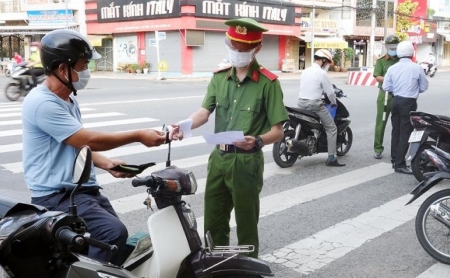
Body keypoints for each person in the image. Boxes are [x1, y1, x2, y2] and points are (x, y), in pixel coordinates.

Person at [21, 29, 167, 265]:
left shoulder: (68, 98)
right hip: (57, 196)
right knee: (111, 234)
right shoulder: (41, 103)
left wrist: (107, 163)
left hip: (80, 191)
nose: (87, 71)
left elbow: (74, 146)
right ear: (62, 69)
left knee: (115, 241)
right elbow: (86, 139)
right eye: (83, 65)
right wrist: (139, 135)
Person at [169, 18, 288, 258]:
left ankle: (248, 268)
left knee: (246, 223)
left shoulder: (268, 83)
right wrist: (184, 126)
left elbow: (278, 131)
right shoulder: (219, 78)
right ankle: (216, 266)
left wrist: (257, 141)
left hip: (247, 162)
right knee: (213, 221)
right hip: (219, 158)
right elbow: (204, 112)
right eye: (232, 47)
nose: (236, 53)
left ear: (257, 49)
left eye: (242, 50)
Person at [382, 40, 428, 174]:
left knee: (395, 130)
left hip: (395, 100)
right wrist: (413, 90)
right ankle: (400, 164)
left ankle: (395, 160)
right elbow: (424, 87)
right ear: (411, 53)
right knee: (405, 132)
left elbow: (386, 87)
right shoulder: (416, 68)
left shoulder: (392, 68)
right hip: (409, 102)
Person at [297, 49, 345, 167]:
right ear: (323, 61)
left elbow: (311, 87)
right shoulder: (322, 73)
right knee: (332, 128)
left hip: (301, 103)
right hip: (314, 105)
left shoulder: (305, 71)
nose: (327, 65)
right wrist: (334, 103)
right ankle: (331, 158)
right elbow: (330, 92)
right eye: (327, 62)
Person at [373, 34, 400, 161]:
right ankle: (378, 149)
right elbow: (377, 76)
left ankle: (396, 151)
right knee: (381, 123)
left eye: (395, 46)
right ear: (386, 47)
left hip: (399, 94)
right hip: (385, 94)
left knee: (398, 123)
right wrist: (390, 80)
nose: (393, 48)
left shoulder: (402, 59)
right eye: (391, 46)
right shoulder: (381, 60)